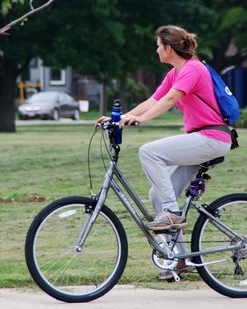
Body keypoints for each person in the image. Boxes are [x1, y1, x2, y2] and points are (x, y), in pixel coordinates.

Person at [97, 25, 232, 279]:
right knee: (157, 195)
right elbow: (154, 100)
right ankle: (180, 260)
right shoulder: (175, 73)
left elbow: (169, 101)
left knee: (149, 152)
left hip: (212, 137)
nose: (156, 49)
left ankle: (172, 213)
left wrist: (141, 120)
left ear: (169, 48)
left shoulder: (192, 69)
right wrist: (121, 118)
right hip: (200, 138)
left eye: (158, 45)